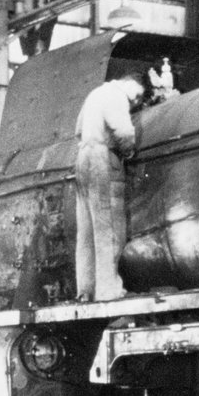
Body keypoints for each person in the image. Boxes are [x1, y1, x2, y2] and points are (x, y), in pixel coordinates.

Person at [73, 68, 150, 302]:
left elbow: (77, 131)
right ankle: (108, 290)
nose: (136, 100)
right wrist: (128, 151)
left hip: (82, 157)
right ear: (130, 83)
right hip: (102, 159)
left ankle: (85, 290)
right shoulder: (116, 96)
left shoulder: (95, 94)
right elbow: (124, 130)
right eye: (138, 94)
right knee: (109, 228)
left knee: (86, 231)